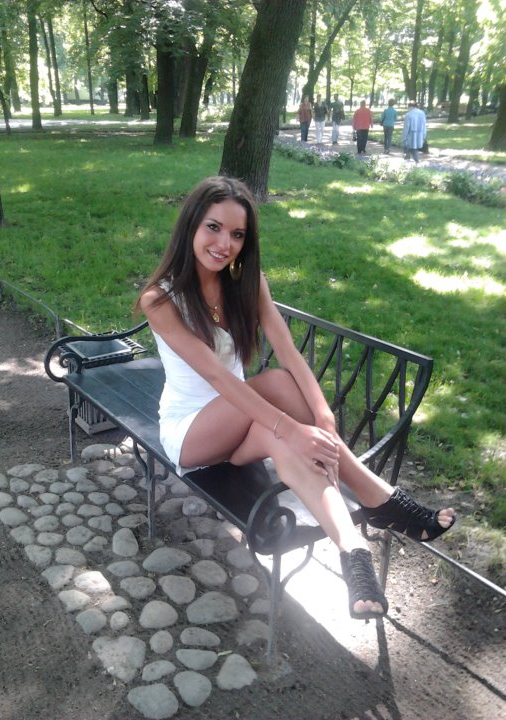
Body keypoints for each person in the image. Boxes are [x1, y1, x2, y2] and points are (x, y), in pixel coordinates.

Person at [137, 176, 455, 622]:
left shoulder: (246, 283)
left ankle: (354, 554)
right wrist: (292, 426)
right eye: (213, 227)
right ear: (191, 225)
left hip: (247, 424)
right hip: (194, 435)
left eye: (237, 234)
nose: (224, 244)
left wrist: (322, 418)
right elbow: (217, 376)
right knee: (276, 397)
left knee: (286, 418)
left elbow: (288, 351)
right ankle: (381, 500)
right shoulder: (161, 300)